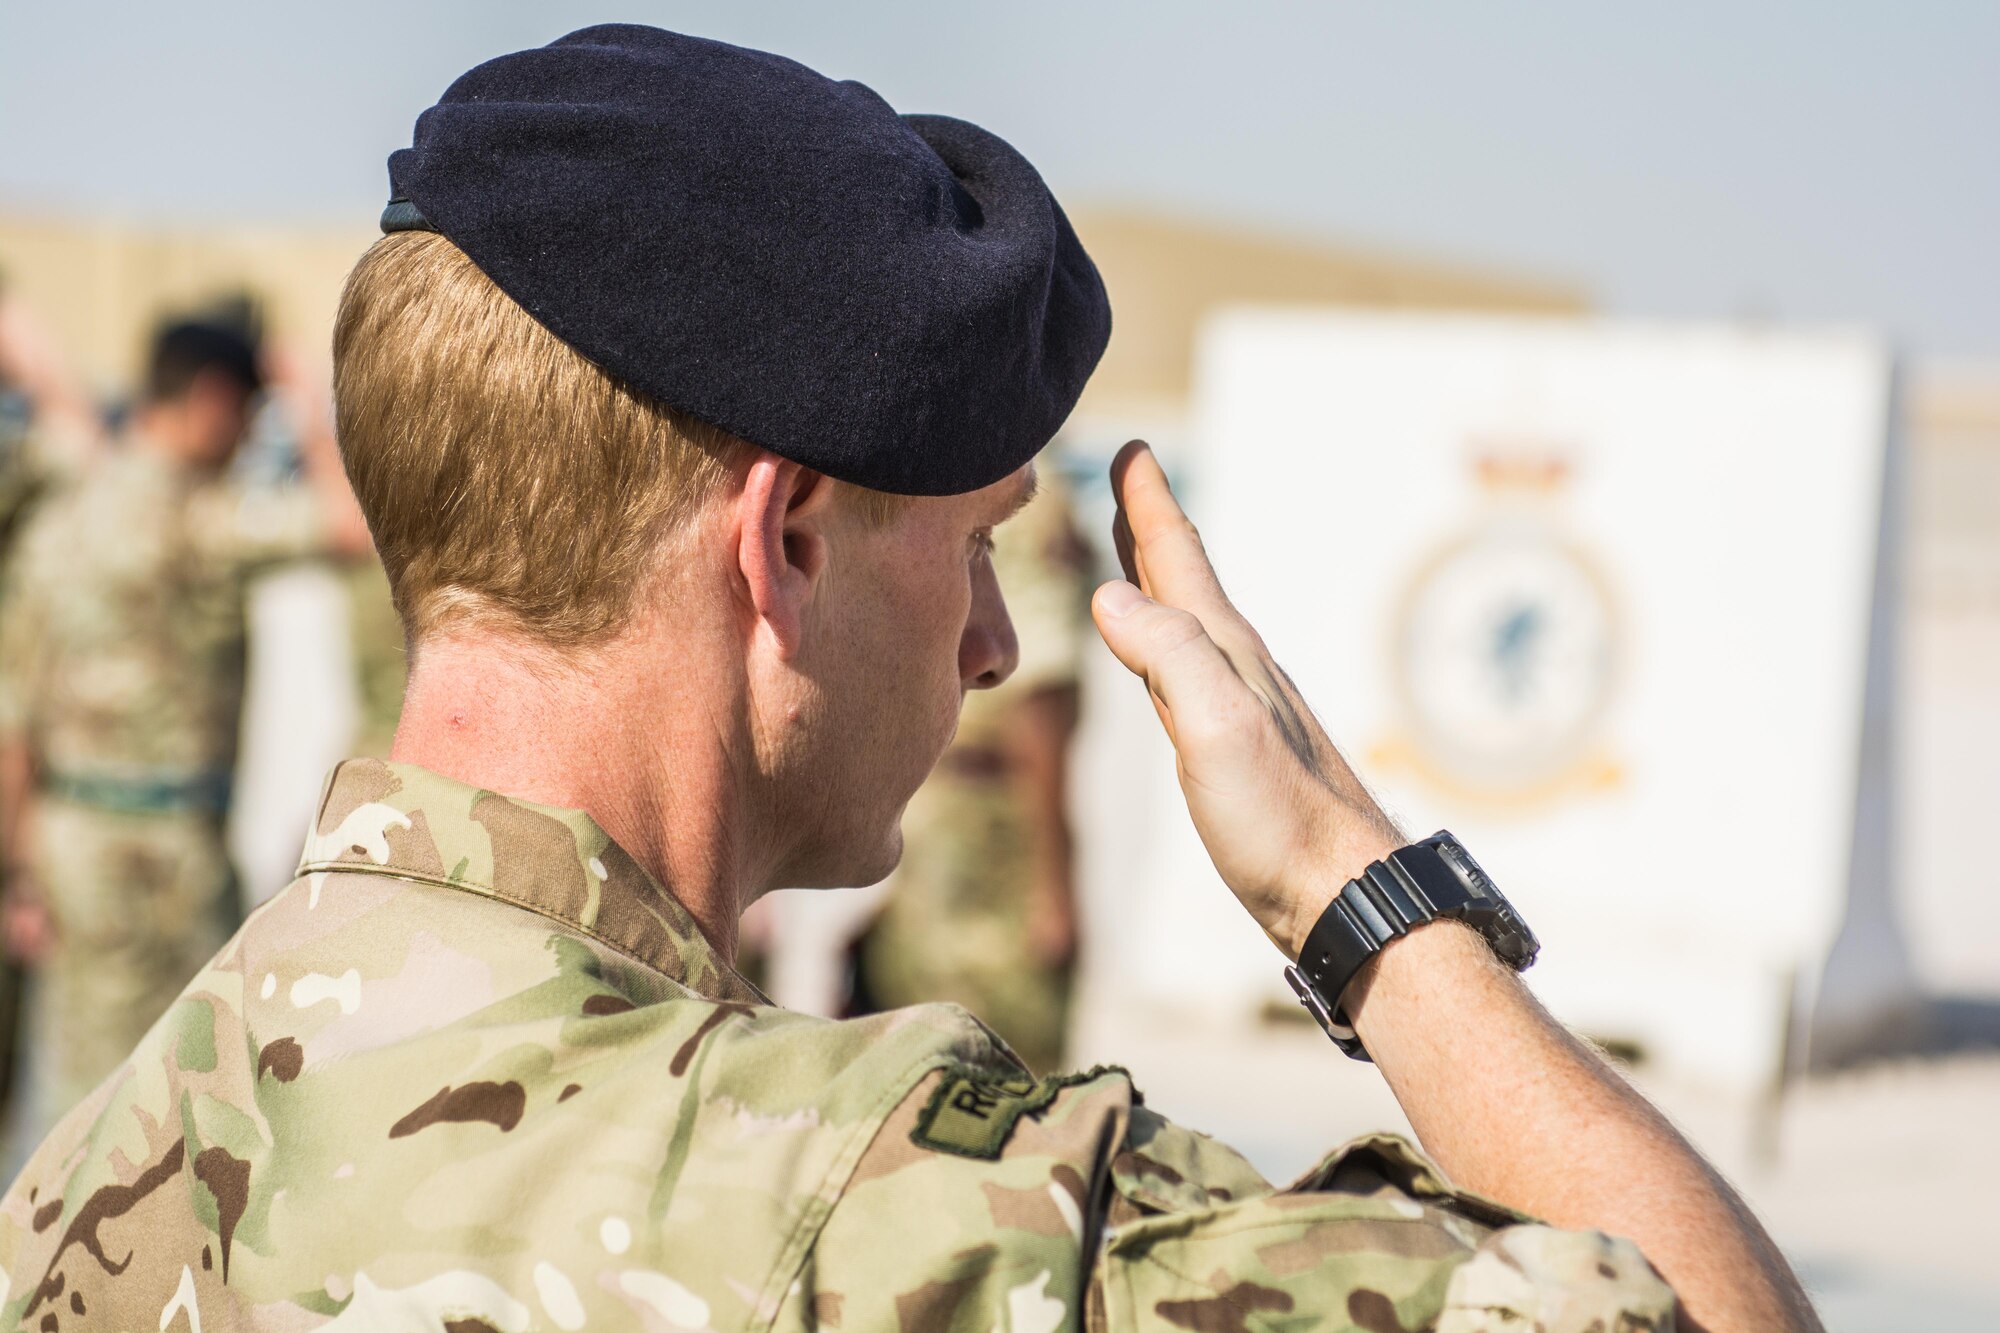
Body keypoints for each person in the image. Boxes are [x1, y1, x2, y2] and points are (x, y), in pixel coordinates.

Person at [0, 27, 1817, 1333]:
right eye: (969, 543)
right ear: (782, 540)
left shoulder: (101, 1162)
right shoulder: (931, 1225)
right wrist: (1360, 891)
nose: (994, 641)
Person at [0, 318, 369, 1117]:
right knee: (175, 1107)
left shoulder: (63, 514)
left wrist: (20, 868)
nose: (244, 438)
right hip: (167, 861)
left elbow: (14, 715)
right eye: (245, 414)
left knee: (78, 1103)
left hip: (69, 840)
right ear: (211, 401)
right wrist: (310, 407)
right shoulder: (203, 518)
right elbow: (350, 524)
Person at [856, 463, 1091, 1072]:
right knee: (976, 1066)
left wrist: (1052, 878)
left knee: (958, 1059)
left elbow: (1041, 702)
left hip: (968, 819)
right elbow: (1043, 703)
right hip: (976, 829)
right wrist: (1055, 879)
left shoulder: (996, 480)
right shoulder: (1018, 489)